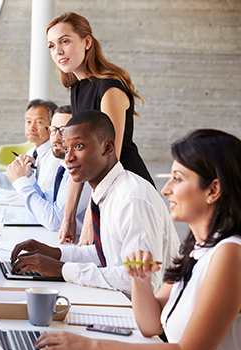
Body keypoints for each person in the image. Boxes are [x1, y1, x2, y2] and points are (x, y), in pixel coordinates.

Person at [35, 129, 241, 350]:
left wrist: (89, 345)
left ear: (213, 190)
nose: (166, 189)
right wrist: (139, 277)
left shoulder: (229, 254)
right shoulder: (197, 248)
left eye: (177, 179)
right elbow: (151, 325)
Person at [10, 110, 179, 294]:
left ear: (108, 148)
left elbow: (141, 278)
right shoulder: (107, 191)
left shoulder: (131, 198)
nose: (68, 157)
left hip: (146, 313)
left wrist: (62, 269)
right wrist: (56, 254)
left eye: (79, 146)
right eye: (66, 148)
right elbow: (107, 254)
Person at [46, 12, 154, 245]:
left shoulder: (110, 87)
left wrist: (90, 218)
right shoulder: (77, 89)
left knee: (131, 273)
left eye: (65, 41)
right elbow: (75, 157)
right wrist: (68, 218)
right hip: (105, 191)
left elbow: (108, 157)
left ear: (87, 42)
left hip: (129, 190)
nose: (58, 51)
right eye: (52, 45)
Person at [5, 106, 91, 238]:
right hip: (59, 241)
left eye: (63, 130)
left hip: (79, 250)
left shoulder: (83, 173)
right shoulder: (63, 168)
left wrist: (20, 182)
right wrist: (28, 177)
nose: (56, 136)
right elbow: (47, 201)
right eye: (53, 129)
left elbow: (54, 221)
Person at [0, 99, 61, 192]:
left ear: (53, 126)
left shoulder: (56, 157)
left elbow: (42, 195)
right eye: (28, 122)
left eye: (39, 122)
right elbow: (13, 179)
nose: (31, 127)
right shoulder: (32, 152)